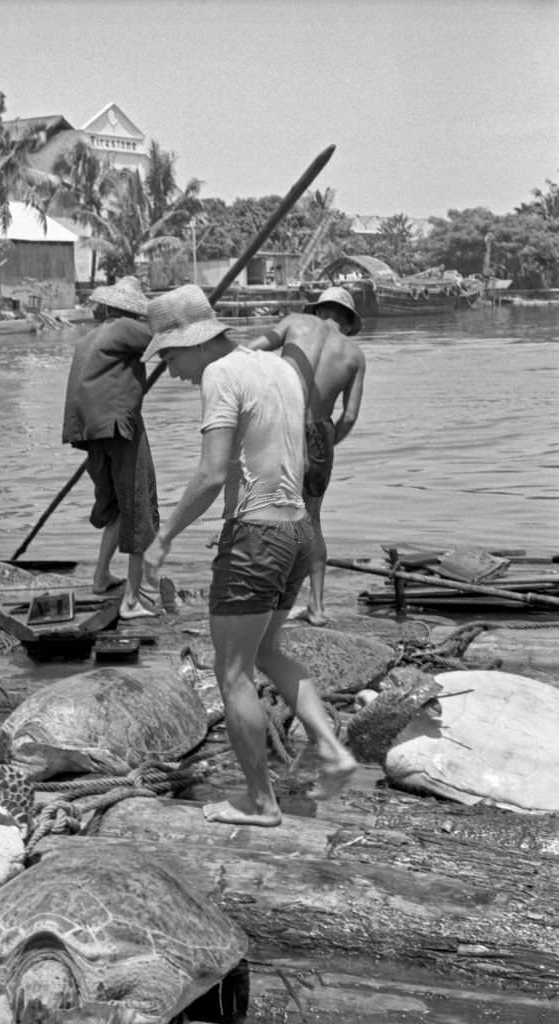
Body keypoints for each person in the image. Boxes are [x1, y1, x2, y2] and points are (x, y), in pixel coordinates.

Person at [142, 284, 356, 828]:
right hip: (298, 532)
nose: (169, 370)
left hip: (259, 537)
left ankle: (261, 803)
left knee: (232, 671)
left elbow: (213, 472)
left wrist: (162, 539)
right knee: (269, 652)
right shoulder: (279, 368)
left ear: (192, 343)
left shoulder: (220, 375)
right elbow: (283, 450)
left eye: (168, 355)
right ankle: (331, 746)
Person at [246, 286, 365, 626]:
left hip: (280, 423)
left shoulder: (294, 322)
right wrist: (325, 444)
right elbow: (350, 416)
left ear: (319, 310)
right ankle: (316, 606)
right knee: (311, 520)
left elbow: (250, 352)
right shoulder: (354, 355)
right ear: (347, 319)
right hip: (318, 434)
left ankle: (265, 600)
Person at [62, 276, 159, 619]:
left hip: (89, 429)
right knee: (139, 505)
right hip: (118, 424)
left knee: (118, 507)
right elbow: (165, 339)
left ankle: (101, 577)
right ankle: (133, 600)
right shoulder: (125, 328)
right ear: (130, 311)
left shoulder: (90, 336)